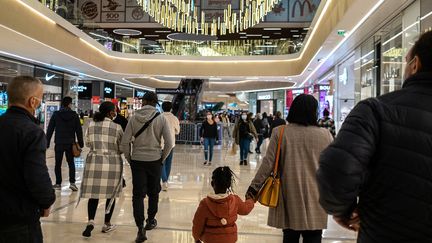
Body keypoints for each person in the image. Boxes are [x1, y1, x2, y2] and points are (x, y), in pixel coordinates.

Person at [317, 31, 432, 242]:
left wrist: (342, 209)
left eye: (405, 62)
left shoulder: (376, 110)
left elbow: (338, 167)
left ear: (415, 64)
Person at [247, 94, 333, 243]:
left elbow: (268, 163)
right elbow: (333, 168)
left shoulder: (280, 132)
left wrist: (254, 188)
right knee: (314, 236)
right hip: (317, 195)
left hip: (289, 193)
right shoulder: (325, 135)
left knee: (290, 236)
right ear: (314, 111)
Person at [0, 76, 56, 243]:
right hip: (20, 217)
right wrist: (47, 200)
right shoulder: (31, 131)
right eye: (41, 97)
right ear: (33, 101)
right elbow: (36, 174)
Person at [121, 91, 173, 243]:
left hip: (137, 160)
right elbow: (169, 143)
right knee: (154, 192)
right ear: (155, 102)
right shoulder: (161, 118)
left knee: (138, 195)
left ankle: (139, 228)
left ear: (143, 102)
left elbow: (125, 142)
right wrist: (161, 158)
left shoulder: (133, 118)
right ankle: (150, 220)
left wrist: (130, 158)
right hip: (154, 160)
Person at [80, 101, 124, 238]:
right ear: (111, 113)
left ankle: (90, 221)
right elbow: (121, 146)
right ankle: (107, 223)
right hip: (112, 163)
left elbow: (87, 143)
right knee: (110, 195)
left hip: (94, 162)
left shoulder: (91, 125)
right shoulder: (117, 127)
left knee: (94, 193)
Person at [192, 166, 254, 243]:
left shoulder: (205, 204)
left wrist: (196, 238)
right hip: (230, 240)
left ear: (212, 184)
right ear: (228, 185)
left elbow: (197, 224)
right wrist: (250, 200)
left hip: (210, 240)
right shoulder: (235, 201)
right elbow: (245, 209)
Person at [46, 96, 84, 191]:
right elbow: (79, 130)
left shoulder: (56, 114)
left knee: (57, 164)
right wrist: (81, 143)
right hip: (70, 143)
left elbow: (50, 129)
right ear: (69, 104)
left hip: (59, 142)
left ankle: (58, 183)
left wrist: (46, 143)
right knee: (71, 163)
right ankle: (72, 183)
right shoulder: (74, 115)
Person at [160, 101, 180, 191]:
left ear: (162, 108)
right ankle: (165, 181)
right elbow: (177, 131)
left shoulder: (159, 117)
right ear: (171, 109)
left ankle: (164, 181)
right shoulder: (174, 118)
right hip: (171, 143)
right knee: (168, 162)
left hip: (160, 143)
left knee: (161, 163)